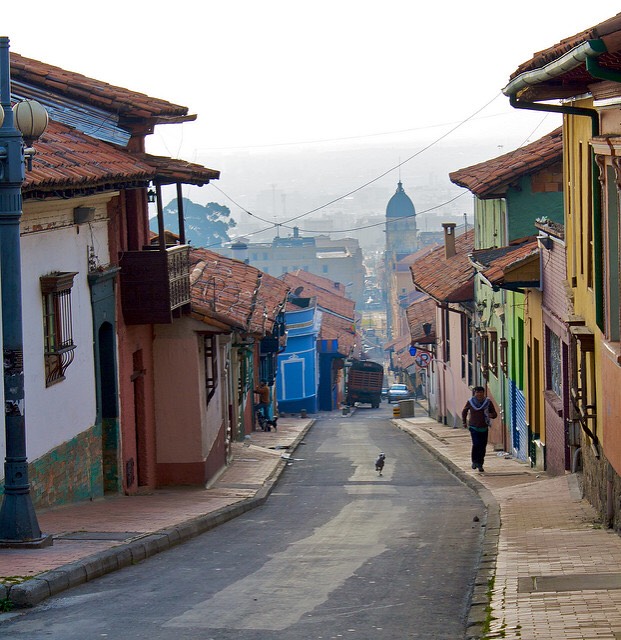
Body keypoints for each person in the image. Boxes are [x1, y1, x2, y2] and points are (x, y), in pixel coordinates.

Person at [462, 386, 497, 473]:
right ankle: (474, 462)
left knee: (482, 446)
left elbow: (494, 414)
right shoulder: (470, 402)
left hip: (484, 427)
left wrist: (491, 415)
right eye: (477, 392)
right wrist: (464, 422)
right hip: (474, 427)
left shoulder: (488, 402)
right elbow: (464, 411)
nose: (479, 394)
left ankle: (480, 464)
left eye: (481, 392)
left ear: (483, 393)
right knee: (476, 444)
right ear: (475, 393)